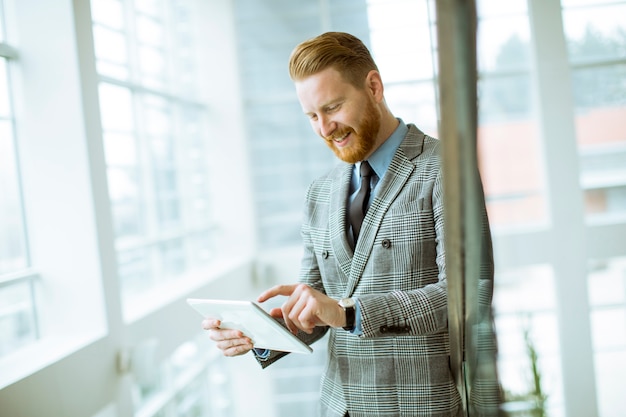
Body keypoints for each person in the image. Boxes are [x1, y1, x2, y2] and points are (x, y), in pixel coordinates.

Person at [203, 31, 480, 417]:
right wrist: (265, 333)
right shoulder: (319, 192)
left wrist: (348, 312)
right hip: (340, 407)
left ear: (373, 86)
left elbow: (466, 295)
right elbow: (319, 307)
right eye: (312, 116)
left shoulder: (444, 168)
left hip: (420, 406)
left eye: (332, 108)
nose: (324, 128)